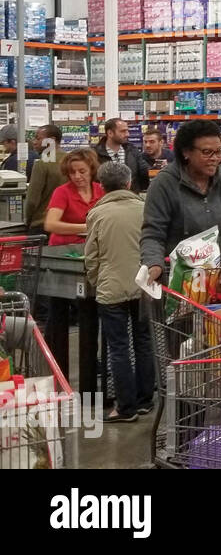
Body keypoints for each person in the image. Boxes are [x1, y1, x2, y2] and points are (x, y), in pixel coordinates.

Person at [141, 120, 221, 285]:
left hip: (217, 278)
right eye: (206, 152)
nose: (214, 158)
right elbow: (153, 234)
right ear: (186, 152)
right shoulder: (164, 184)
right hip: (178, 280)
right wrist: (153, 264)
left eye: (218, 151)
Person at [84, 161, 154, 423]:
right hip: (144, 285)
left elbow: (91, 257)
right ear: (128, 184)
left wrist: (97, 280)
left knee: (118, 348)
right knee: (144, 343)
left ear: (101, 187)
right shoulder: (146, 208)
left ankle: (126, 408)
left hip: (111, 289)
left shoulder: (97, 214)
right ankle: (146, 400)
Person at [42, 148, 105, 393]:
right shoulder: (62, 192)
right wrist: (85, 227)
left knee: (89, 314)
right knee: (58, 316)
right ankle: (57, 374)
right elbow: (51, 223)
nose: (77, 176)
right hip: (61, 259)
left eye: (81, 171)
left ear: (91, 170)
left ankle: (91, 373)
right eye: (72, 172)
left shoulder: (100, 191)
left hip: (89, 259)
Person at [24, 124, 66, 235]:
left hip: (42, 223)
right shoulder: (72, 161)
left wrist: (27, 220)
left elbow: (32, 200)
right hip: (65, 222)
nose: (34, 142)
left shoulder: (42, 164)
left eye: (38, 138)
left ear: (52, 140)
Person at [94, 117, 151, 191]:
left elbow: (145, 173)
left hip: (131, 198)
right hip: (107, 199)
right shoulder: (95, 154)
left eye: (127, 131)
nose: (127, 134)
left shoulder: (133, 151)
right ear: (110, 133)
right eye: (123, 131)